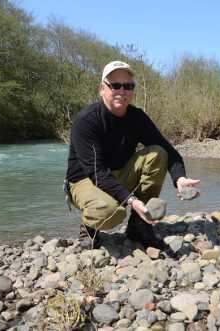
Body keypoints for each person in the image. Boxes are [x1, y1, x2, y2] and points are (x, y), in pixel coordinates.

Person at [65, 60, 200, 250]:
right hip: (85, 180)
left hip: (118, 173)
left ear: (133, 91)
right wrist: (131, 200)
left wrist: (180, 178)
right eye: (115, 85)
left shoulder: (137, 117)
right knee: (112, 212)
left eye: (128, 86)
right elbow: (97, 173)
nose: (122, 91)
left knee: (158, 153)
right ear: (102, 88)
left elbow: (169, 151)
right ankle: (89, 227)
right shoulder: (87, 121)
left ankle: (139, 225)